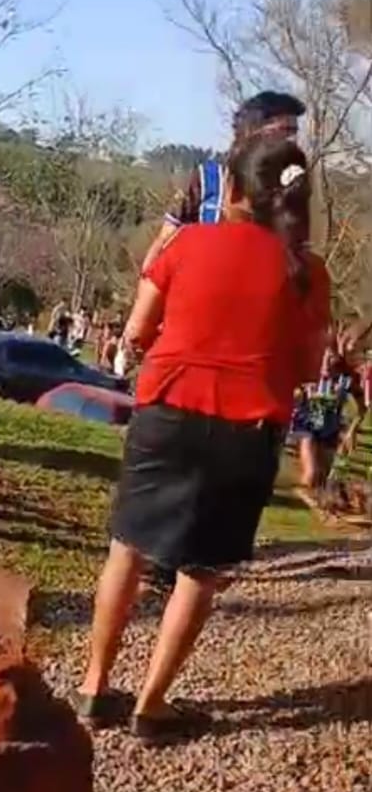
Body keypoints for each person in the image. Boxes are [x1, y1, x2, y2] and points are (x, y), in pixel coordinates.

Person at [74, 135, 331, 745]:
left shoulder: (186, 243)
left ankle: (93, 685)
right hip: (247, 430)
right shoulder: (308, 272)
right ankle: (151, 704)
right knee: (199, 570)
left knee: (127, 551)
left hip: (166, 411)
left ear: (233, 189)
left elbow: (136, 330)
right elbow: (305, 367)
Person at [142, 90, 306, 273]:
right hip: (200, 287)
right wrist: (148, 280)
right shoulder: (207, 179)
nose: (292, 140)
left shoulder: (291, 187)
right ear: (253, 130)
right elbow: (165, 239)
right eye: (285, 131)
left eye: (295, 132)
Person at [291, 324, 368, 494]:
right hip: (306, 427)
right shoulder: (310, 369)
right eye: (324, 356)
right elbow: (292, 388)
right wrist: (297, 395)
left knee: (321, 484)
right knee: (311, 476)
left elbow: (363, 407)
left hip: (330, 431)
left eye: (331, 357)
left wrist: (351, 431)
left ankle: (315, 511)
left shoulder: (348, 377)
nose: (327, 361)